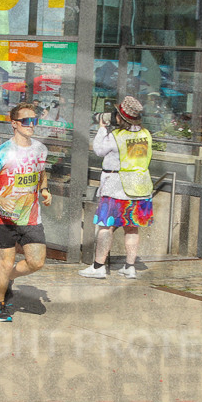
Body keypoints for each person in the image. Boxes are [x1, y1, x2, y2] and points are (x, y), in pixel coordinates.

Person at [0, 102, 51, 322]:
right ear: (14, 124)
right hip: (4, 218)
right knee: (6, 263)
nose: (32, 125)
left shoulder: (40, 149)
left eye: (34, 121)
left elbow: (41, 173)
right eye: (26, 121)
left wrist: (45, 189)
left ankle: (6, 279)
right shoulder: (3, 152)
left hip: (30, 215)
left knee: (36, 262)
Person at [79, 96, 154, 279]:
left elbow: (98, 150)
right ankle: (130, 266)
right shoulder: (145, 134)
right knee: (132, 227)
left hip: (116, 187)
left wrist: (102, 129)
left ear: (121, 117)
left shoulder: (117, 136)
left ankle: (98, 267)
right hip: (140, 187)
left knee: (106, 226)